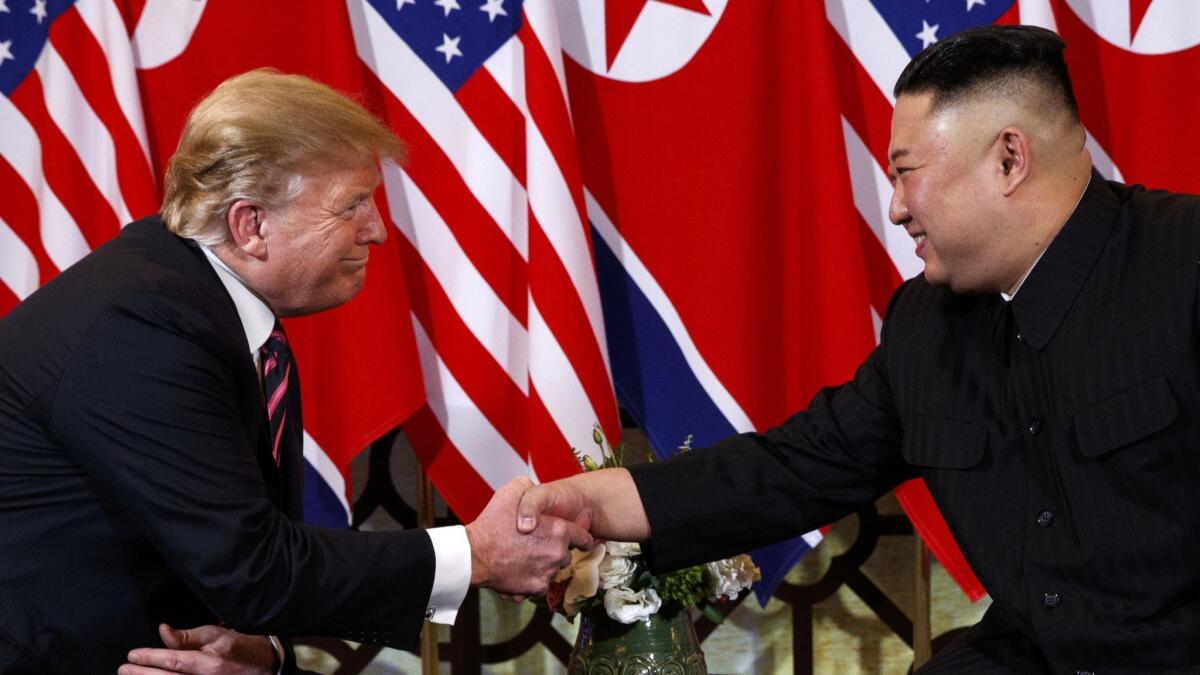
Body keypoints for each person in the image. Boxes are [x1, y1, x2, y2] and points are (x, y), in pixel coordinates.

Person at [517, 25, 1200, 674]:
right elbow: (789, 469)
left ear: (1009, 159)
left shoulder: (1185, 261)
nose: (897, 207)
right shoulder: (926, 326)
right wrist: (586, 502)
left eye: (907, 172)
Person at [0, 69, 588, 674]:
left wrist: (268, 653)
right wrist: (478, 553)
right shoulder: (142, 326)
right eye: (352, 205)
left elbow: (227, 561)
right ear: (250, 225)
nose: (377, 230)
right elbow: (252, 567)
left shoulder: (205, 307)